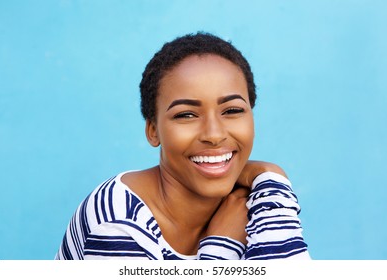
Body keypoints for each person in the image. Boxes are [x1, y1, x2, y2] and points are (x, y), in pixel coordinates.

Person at [55, 32, 310, 260]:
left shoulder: (261, 196)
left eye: (232, 110)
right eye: (186, 115)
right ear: (153, 130)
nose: (214, 134)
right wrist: (222, 246)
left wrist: (272, 180)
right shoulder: (119, 223)